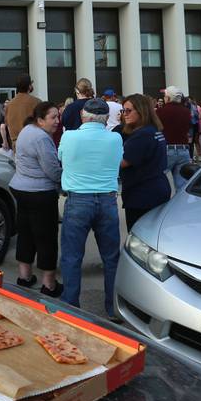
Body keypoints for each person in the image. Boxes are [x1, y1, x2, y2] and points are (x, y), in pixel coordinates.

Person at [58, 98, 123, 319]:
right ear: (106, 119)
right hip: (107, 200)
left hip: (78, 200)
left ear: (83, 116)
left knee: (72, 256)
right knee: (111, 257)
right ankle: (113, 308)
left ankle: (70, 306)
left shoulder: (69, 136)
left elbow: (61, 159)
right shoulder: (115, 138)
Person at [9, 102, 63, 297]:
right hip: (40, 193)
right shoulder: (41, 138)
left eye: (58, 116)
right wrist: (63, 181)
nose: (57, 121)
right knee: (46, 237)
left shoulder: (26, 131)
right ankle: (48, 284)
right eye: (53, 117)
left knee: (26, 233)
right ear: (40, 120)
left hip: (20, 188)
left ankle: (24, 276)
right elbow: (52, 170)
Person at [119, 94, 171, 230]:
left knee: (139, 236)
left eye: (128, 110)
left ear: (141, 111)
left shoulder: (142, 135)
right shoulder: (153, 130)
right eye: (123, 110)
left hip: (142, 194)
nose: (125, 114)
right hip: (155, 188)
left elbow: (123, 162)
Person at [156, 86, 192, 191]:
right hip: (184, 149)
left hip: (167, 149)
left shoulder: (160, 111)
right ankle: (181, 205)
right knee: (182, 184)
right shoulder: (186, 112)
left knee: (159, 178)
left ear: (168, 98)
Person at [4, 75, 42, 149]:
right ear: (29, 86)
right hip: (33, 143)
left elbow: (7, 124)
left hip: (16, 144)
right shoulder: (36, 102)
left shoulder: (9, 104)